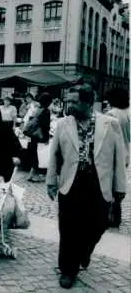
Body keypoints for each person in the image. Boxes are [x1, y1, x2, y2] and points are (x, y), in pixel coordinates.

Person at [46, 83, 127, 289]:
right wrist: (50, 181)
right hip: (71, 182)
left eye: (74, 101)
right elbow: (54, 154)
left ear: (88, 102)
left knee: (99, 223)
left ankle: (84, 251)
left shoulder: (111, 123)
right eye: (68, 100)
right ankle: (67, 270)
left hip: (98, 182)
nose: (68, 104)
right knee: (68, 227)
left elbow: (119, 157)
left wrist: (120, 187)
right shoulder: (63, 123)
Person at [104, 87, 130, 228]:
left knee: (109, 185)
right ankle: (116, 216)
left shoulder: (111, 114)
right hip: (125, 153)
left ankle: (111, 216)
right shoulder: (127, 114)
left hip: (113, 153)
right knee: (118, 184)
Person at [27, 93, 53, 183]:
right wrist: (47, 138)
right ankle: (37, 175)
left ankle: (31, 175)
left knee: (35, 155)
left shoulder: (37, 109)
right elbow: (46, 125)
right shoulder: (46, 111)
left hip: (34, 135)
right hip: (41, 136)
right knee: (40, 156)